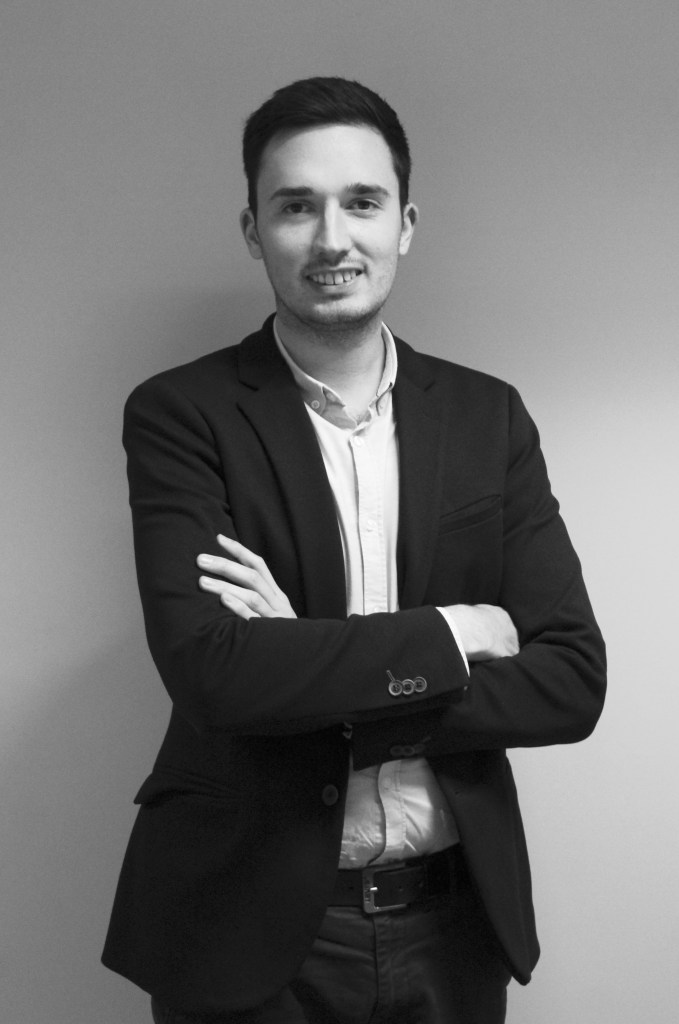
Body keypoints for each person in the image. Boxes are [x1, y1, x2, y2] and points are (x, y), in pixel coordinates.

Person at [102, 77, 606, 1024]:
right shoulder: (181, 414)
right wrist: (455, 632)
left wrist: (305, 664)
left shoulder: (487, 415)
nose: (332, 239)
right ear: (254, 230)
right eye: (296, 206)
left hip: (453, 927)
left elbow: (572, 682)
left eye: (361, 202)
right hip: (243, 929)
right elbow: (214, 676)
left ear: (404, 224)